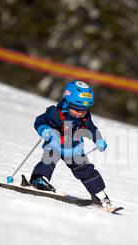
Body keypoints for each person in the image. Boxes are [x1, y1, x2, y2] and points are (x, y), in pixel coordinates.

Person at [30, 80, 113, 209]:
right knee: (49, 160)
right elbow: (39, 120)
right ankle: (39, 179)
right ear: (67, 102)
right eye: (76, 109)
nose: (80, 113)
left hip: (73, 149)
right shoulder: (55, 113)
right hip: (55, 144)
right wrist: (44, 130)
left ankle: (99, 195)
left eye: (84, 110)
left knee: (86, 169)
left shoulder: (85, 117)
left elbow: (91, 128)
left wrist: (99, 140)